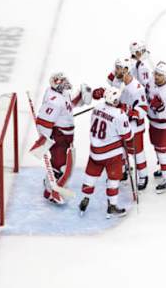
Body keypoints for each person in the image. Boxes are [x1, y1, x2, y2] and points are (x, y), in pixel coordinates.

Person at [31, 72, 92, 204]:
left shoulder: (62, 94)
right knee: (64, 168)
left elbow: (69, 105)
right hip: (60, 138)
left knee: (57, 166)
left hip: (66, 137)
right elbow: (44, 122)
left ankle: (48, 191)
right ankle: (53, 193)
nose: (66, 83)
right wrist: (45, 141)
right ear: (57, 85)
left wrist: (81, 96)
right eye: (62, 81)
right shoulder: (54, 101)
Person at [79, 87, 132, 218]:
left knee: (90, 177)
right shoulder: (119, 115)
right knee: (113, 180)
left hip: (94, 152)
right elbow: (128, 135)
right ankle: (112, 206)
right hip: (111, 154)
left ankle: (85, 200)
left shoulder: (97, 107)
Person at [117, 58, 149, 190]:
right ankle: (124, 170)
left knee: (137, 152)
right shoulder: (120, 83)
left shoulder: (137, 88)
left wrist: (129, 111)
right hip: (121, 124)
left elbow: (143, 110)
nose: (116, 70)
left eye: (118, 68)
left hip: (134, 127)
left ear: (126, 70)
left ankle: (143, 176)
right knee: (121, 150)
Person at [147, 62, 166, 193]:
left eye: (159, 75)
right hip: (152, 123)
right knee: (157, 149)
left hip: (163, 125)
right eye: (155, 74)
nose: (156, 77)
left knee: (163, 151)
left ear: (165, 76)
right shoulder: (152, 82)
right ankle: (165, 169)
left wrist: (160, 108)